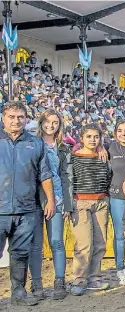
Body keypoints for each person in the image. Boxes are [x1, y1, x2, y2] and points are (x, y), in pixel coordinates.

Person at [0, 101, 55, 306]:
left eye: (20, 117)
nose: (16, 121)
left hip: (26, 208)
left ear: (26, 119)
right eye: (11, 117)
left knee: (20, 253)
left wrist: (50, 200)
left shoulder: (36, 143)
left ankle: (19, 293)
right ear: (3, 118)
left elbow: (45, 174)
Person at [30, 109, 73, 301]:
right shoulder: (31, 143)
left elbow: (67, 176)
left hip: (57, 198)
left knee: (57, 242)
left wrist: (67, 203)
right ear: (41, 122)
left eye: (55, 122)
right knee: (36, 244)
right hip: (34, 199)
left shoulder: (63, 147)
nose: (51, 125)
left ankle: (59, 281)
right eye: (47, 121)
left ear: (60, 125)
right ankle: (37, 283)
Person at [69, 124, 112, 296]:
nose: (93, 140)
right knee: (84, 244)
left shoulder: (103, 155)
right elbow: (70, 179)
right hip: (81, 203)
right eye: (89, 137)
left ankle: (95, 277)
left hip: (101, 202)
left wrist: (103, 148)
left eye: (96, 137)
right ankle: (78, 279)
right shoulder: (74, 157)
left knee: (100, 243)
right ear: (81, 139)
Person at [107, 120, 125, 286]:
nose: (123, 134)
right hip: (117, 197)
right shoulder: (110, 147)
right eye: (120, 130)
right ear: (115, 132)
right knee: (120, 235)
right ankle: (120, 269)